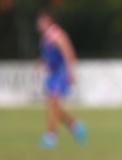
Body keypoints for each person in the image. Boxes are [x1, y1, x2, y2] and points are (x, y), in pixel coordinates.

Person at [36, 10, 87, 148]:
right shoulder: (46, 37)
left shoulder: (57, 35)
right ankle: (75, 126)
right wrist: (41, 63)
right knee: (54, 106)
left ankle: (51, 135)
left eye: (40, 22)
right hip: (52, 75)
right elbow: (48, 55)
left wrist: (71, 73)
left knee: (53, 104)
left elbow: (68, 52)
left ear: (47, 21)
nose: (38, 25)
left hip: (60, 74)